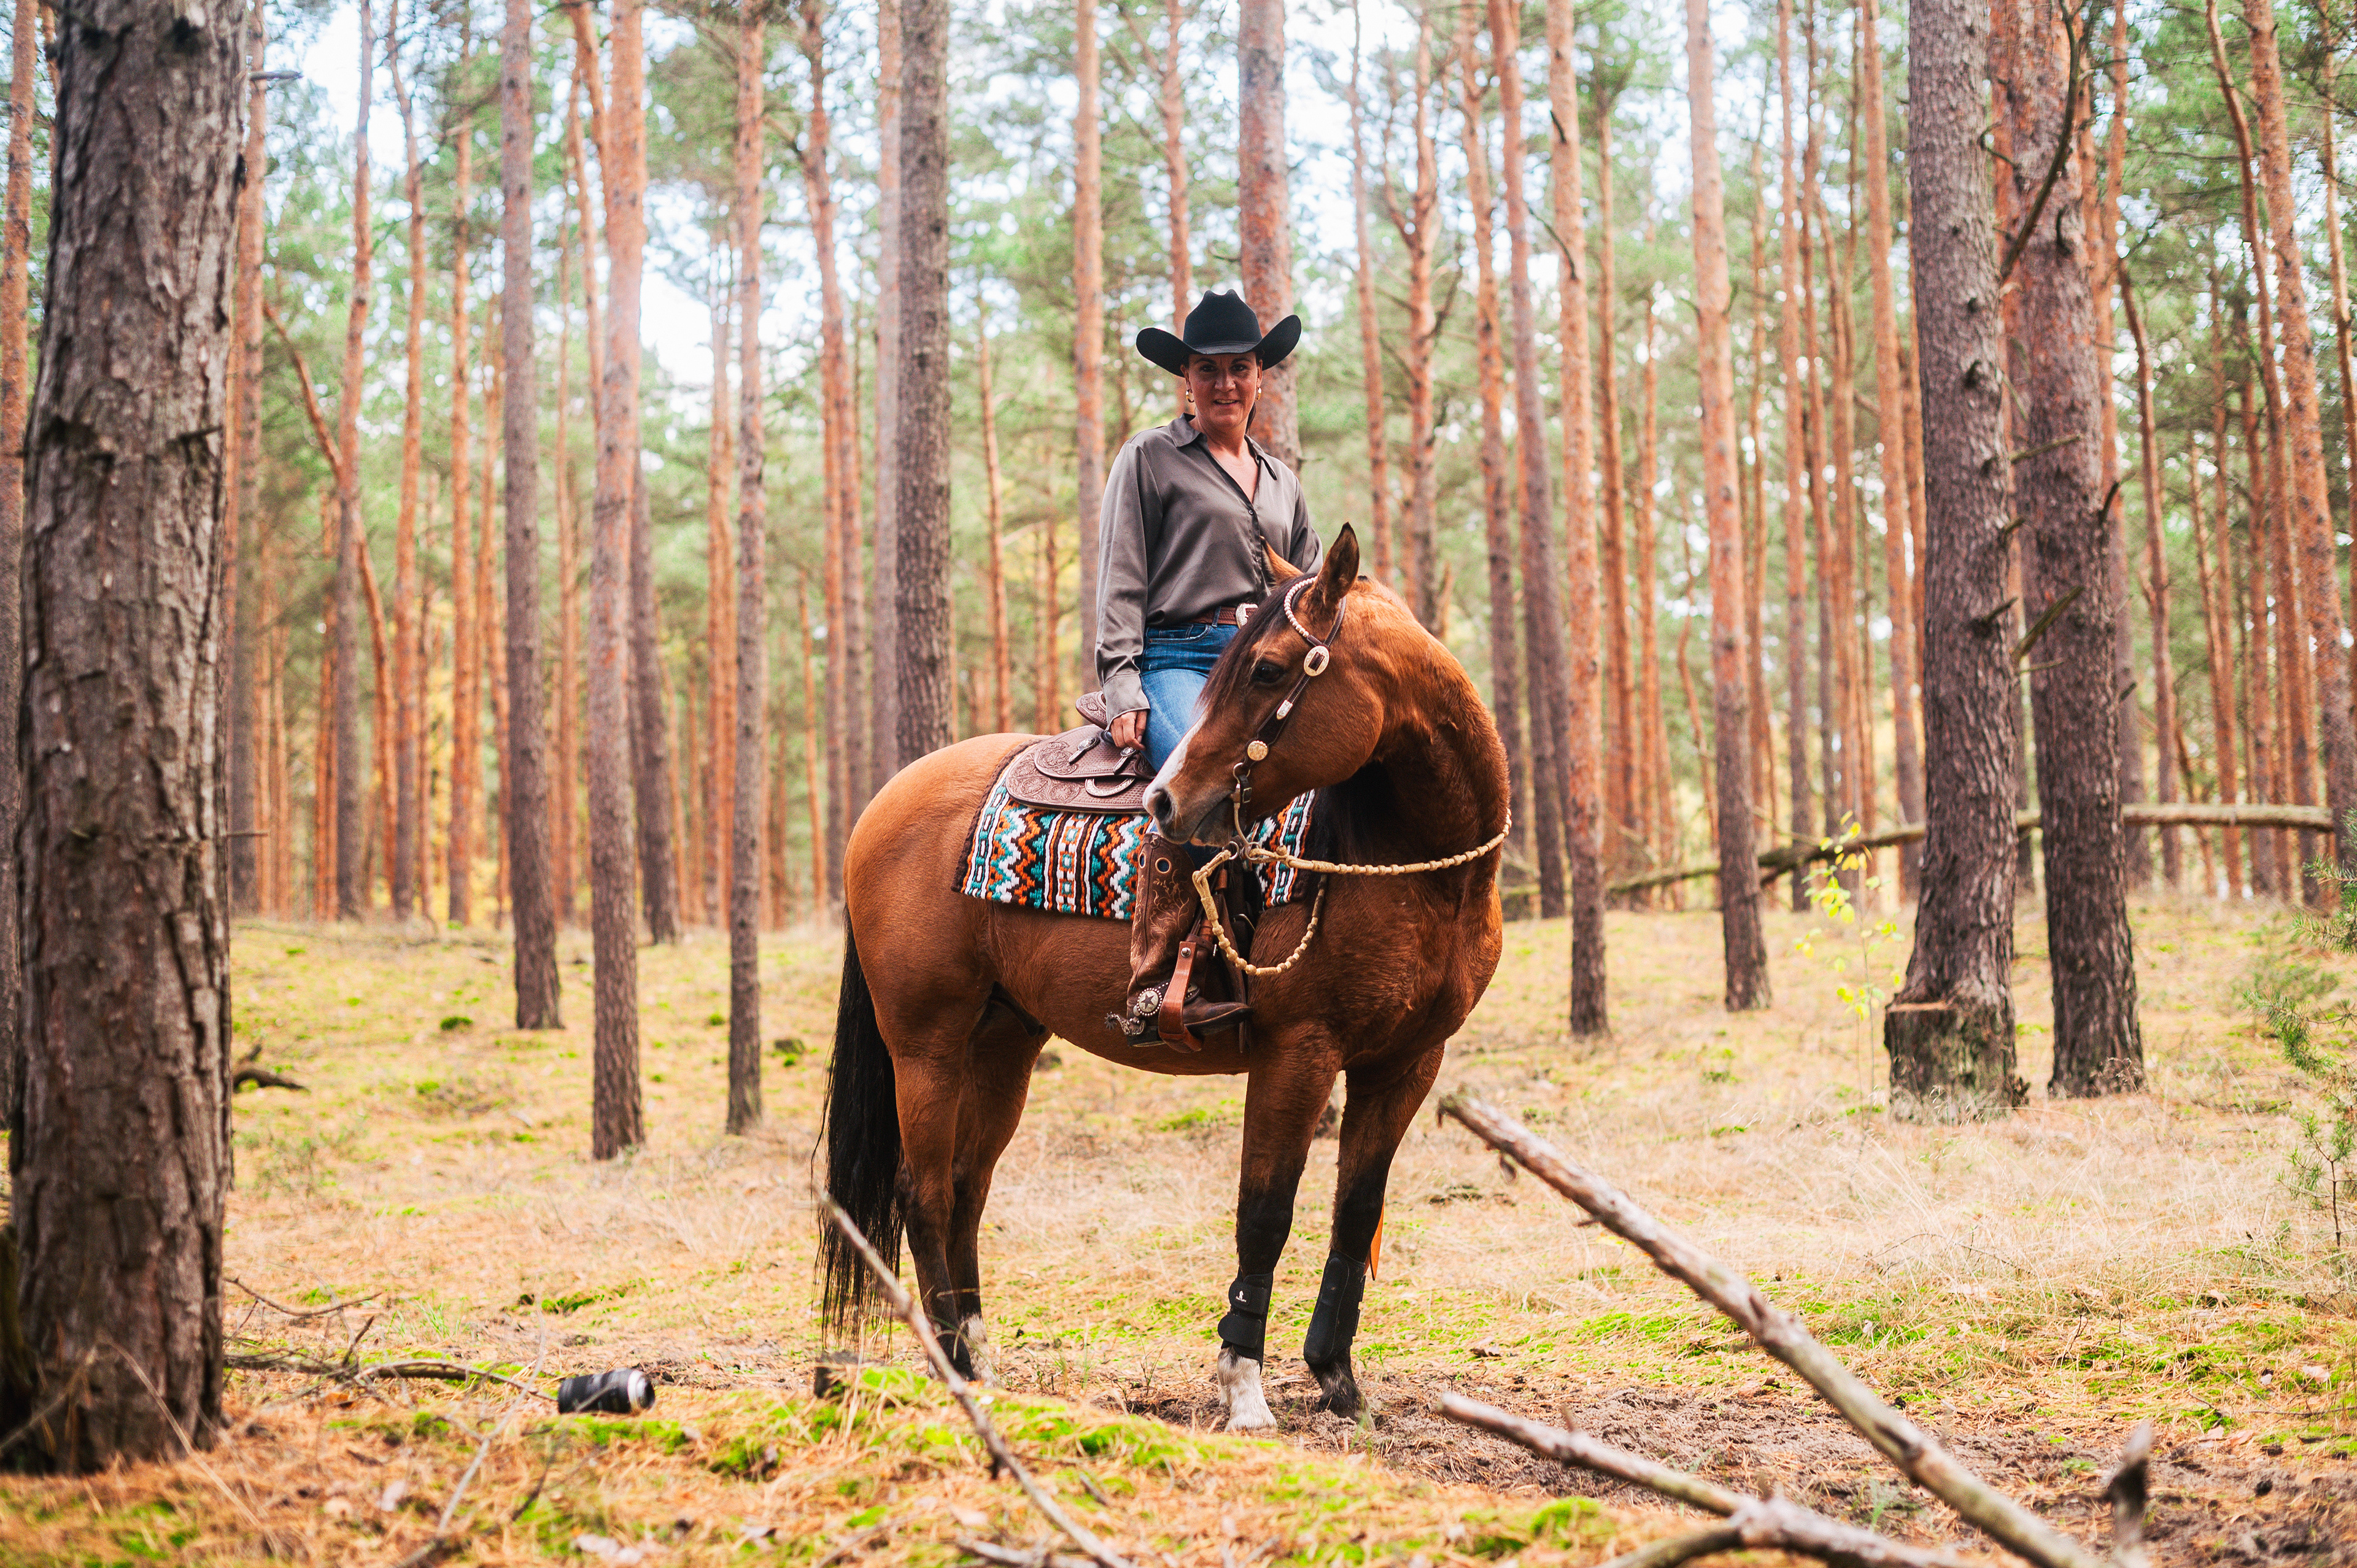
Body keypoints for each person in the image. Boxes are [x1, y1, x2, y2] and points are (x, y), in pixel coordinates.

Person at [1094, 290, 1321, 1045]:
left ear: (1262, 378)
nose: (1225, 383)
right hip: (1175, 658)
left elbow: (1315, 591)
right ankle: (1161, 976)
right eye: (1208, 370)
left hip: (1262, 669)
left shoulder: (1282, 480)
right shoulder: (1150, 459)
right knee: (1198, 792)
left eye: (1240, 368)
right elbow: (1121, 575)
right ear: (1185, 381)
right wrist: (1122, 682)